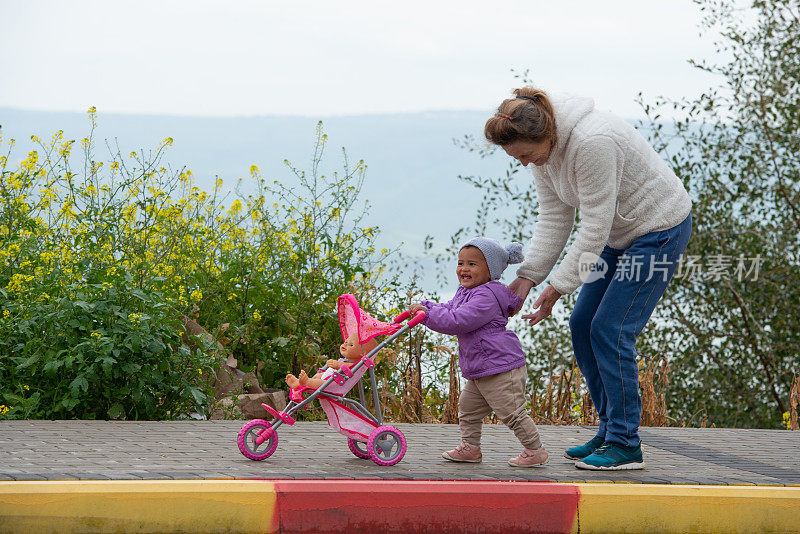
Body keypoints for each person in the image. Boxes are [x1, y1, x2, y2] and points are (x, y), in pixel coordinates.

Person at [484, 87, 692, 470]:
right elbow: (555, 217)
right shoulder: (544, 153)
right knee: (583, 324)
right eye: (517, 159)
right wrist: (528, 277)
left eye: (526, 155)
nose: (525, 164)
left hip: (656, 231)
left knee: (610, 330)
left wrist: (559, 285)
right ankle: (609, 429)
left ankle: (626, 444)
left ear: (545, 134)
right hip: (617, 235)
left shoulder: (593, 142)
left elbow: (593, 226)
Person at [406, 237, 548, 468]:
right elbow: (450, 308)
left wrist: (429, 317)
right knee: (468, 410)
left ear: (490, 269)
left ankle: (535, 450)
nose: (464, 269)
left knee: (512, 413)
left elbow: (459, 320)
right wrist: (428, 307)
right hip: (481, 367)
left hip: (500, 367)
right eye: (461, 263)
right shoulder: (467, 291)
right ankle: (470, 448)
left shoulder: (487, 296)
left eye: (472, 264)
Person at [285, 333, 377, 389]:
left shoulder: (355, 365)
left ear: (363, 354)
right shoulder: (345, 360)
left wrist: (337, 364)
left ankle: (307, 382)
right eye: (346, 342)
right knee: (317, 376)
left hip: (332, 385)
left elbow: (348, 368)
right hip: (328, 377)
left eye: (351, 345)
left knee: (320, 383)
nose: (345, 344)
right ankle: (298, 383)